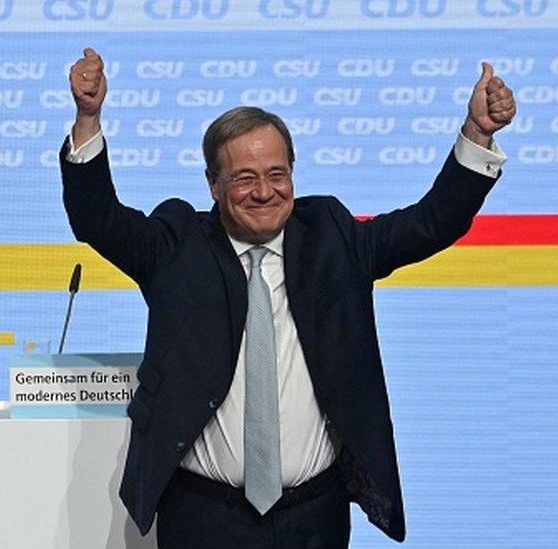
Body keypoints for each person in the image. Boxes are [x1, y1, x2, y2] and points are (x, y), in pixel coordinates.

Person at [61, 48, 515, 547]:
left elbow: (432, 222)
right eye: (244, 178)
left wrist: (478, 135)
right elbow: (97, 219)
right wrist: (88, 118)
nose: (264, 192)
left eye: (277, 174)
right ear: (213, 185)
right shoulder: (177, 245)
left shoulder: (333, 239)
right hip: (200, 514)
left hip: (313, 514)